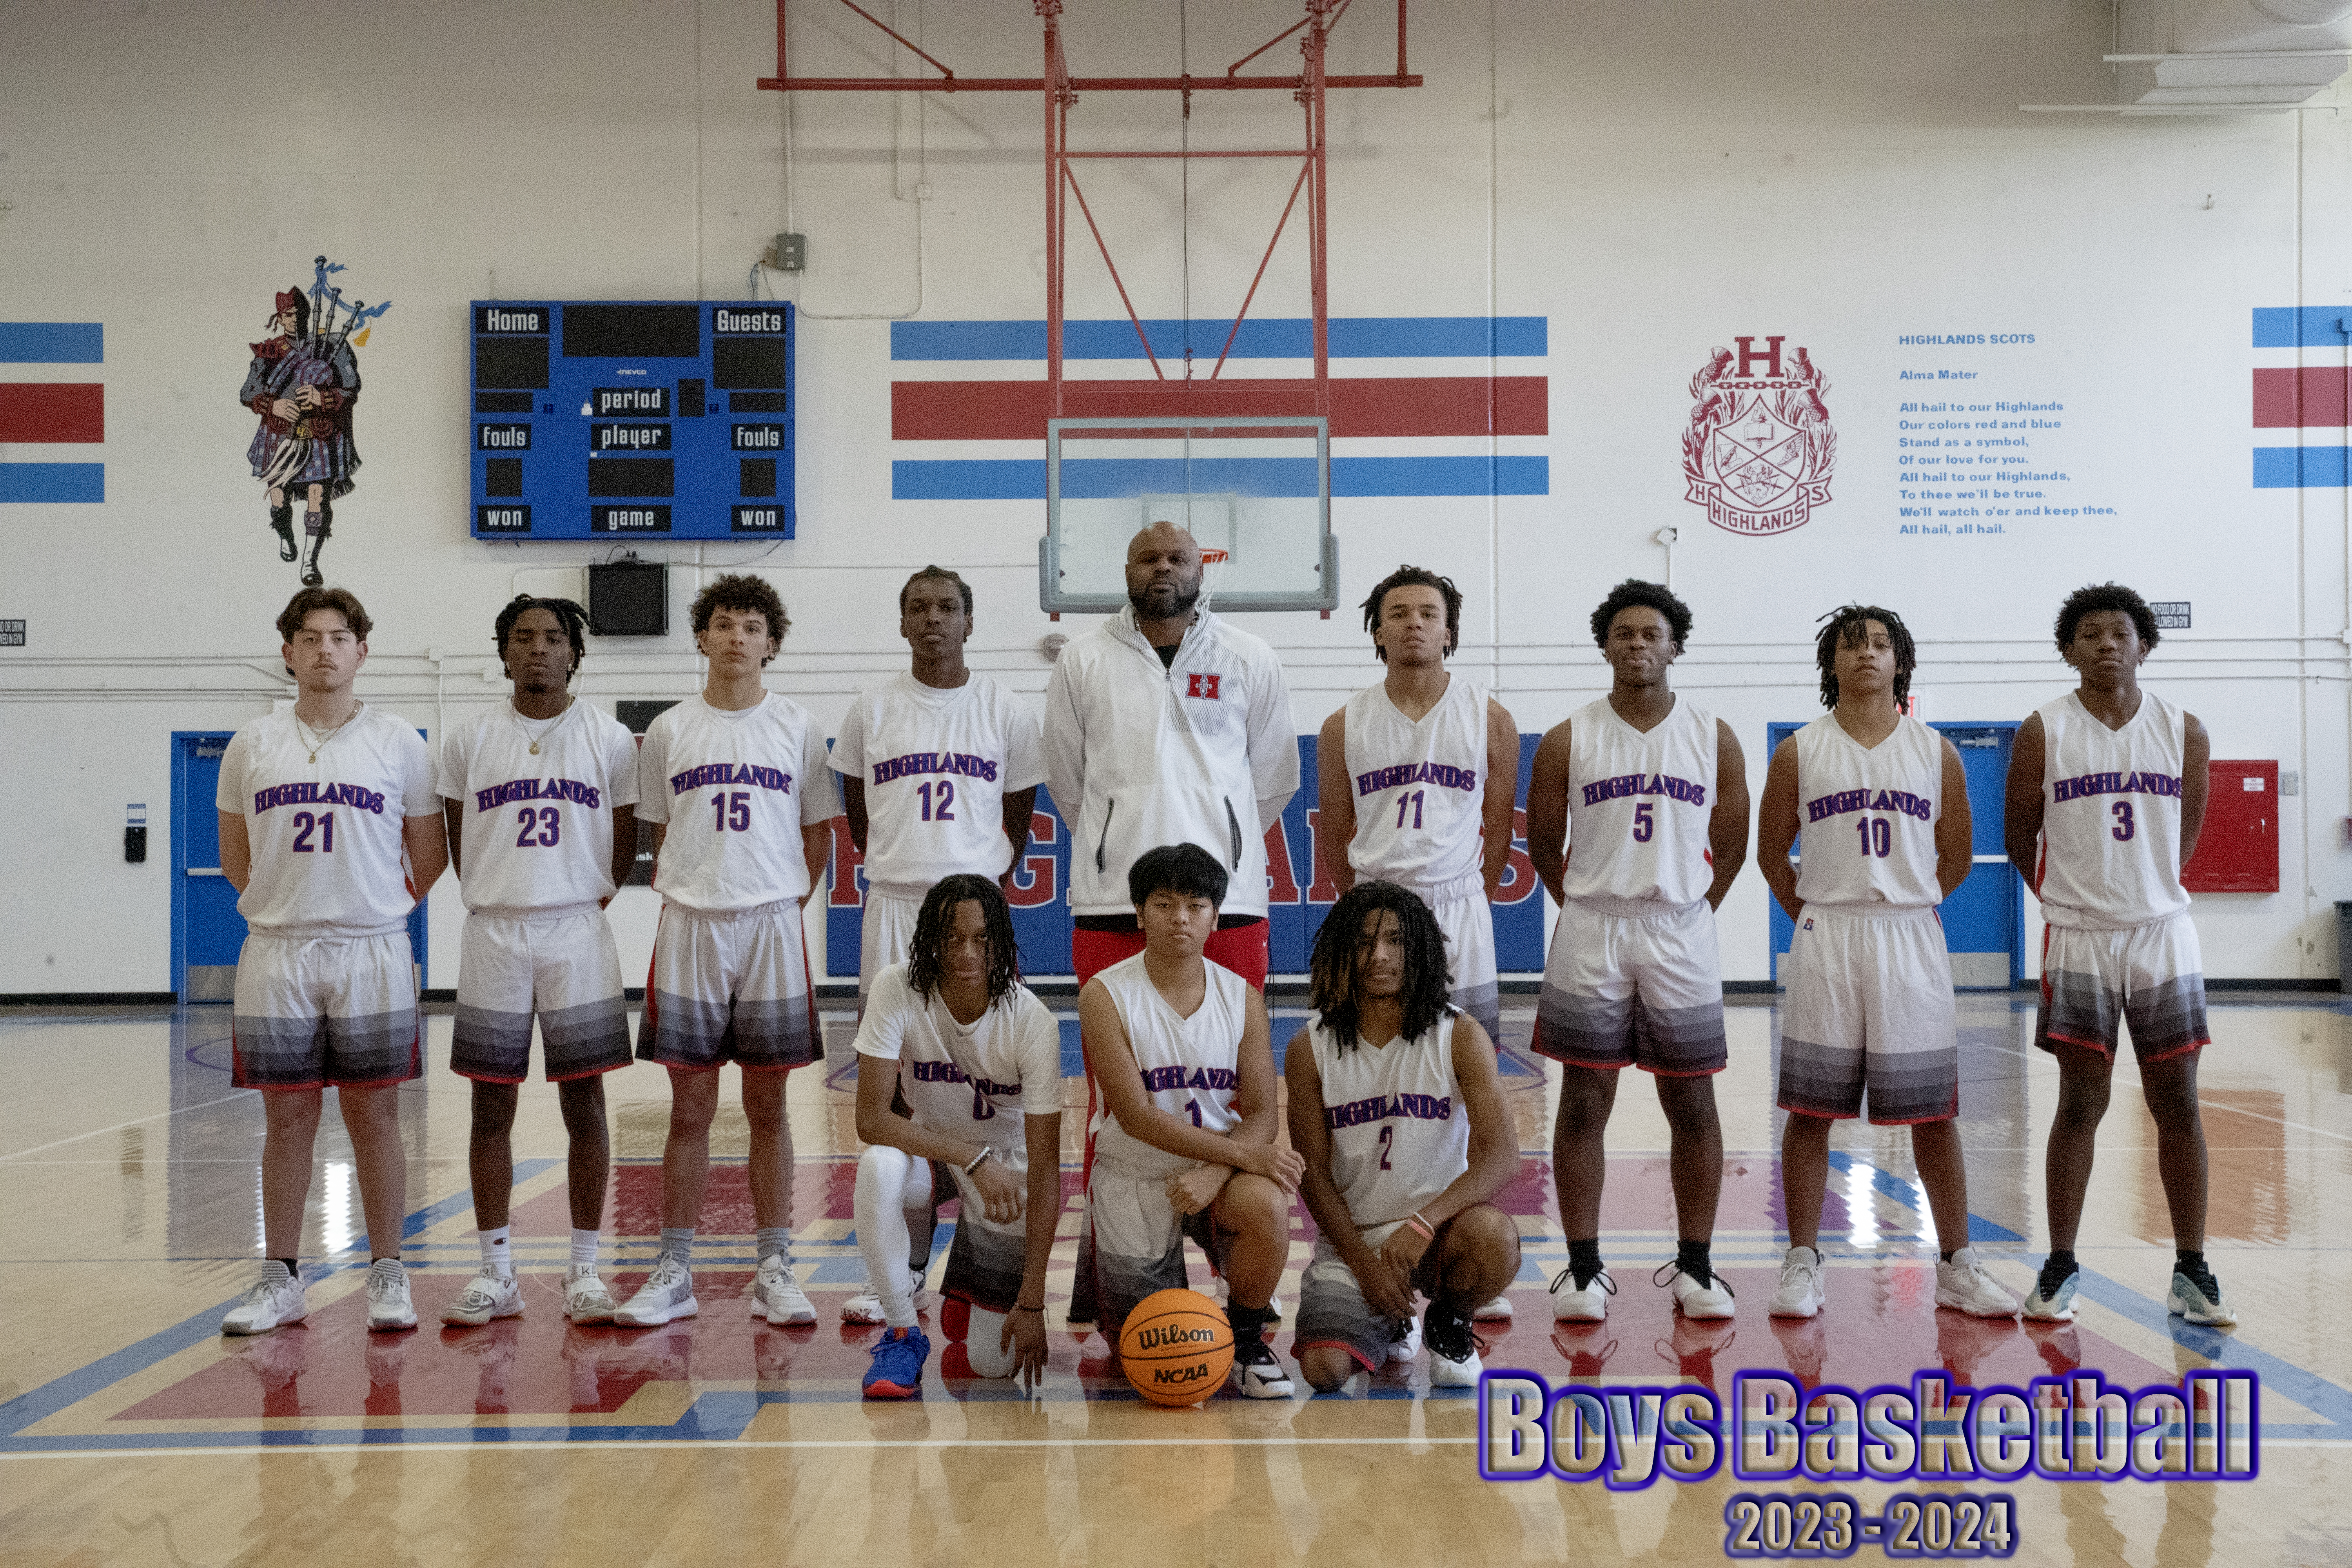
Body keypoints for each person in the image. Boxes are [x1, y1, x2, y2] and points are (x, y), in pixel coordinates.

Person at [1757, 604, 2015, 1322]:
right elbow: (1771, 854)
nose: (1866, 655)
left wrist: (1906, 903)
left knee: (1933, 1114)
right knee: (1811, 1112)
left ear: (1900, 662)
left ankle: (1959, 1264)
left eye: (1879, 644)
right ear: (1830, 665)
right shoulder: (1800, 751)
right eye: (1851, 646)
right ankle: (1803, 1262)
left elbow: (1956, 856)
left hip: (1908, 934)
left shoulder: (1937, 752)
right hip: (1828, 933)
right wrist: (1812, 917)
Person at [615, 574, 843, 1329]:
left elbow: (818, 837)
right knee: (689, 1108)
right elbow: (659, 832)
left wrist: (779, 900)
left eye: (752, 626)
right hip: (691, 925)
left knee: (771, 1106)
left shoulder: (801, 729)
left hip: (771, 924)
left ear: (772, 644)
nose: (737, 637)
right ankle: (674, 1267)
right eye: (724, 624)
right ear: (702, 637)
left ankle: (775, 1264)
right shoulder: (672, 731)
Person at [217, 586, 446, 1335]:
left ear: (361, 652)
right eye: (310, 637)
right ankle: (280, 1278)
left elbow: (428, 854)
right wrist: (290, 904)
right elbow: (235, 855)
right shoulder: (251, 745)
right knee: (286, 1121)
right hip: (277, 950)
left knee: (376, 1116)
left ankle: (387, 1273)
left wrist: (371, 905)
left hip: (371, 948)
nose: (325, 650)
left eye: (339, 637)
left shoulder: (399, 743)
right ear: (288, 653)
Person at [2005, 583, 2231, 1327]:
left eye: (2121, 632)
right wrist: (2073, 897)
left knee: (2179, 1104)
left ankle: (2192, 1270)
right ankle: (2062, 1264)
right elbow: (2019, 836)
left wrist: (2146, 891)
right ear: (2069, 650)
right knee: (2080, 1102)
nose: (2107, 643)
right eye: (2090, 633)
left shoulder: (2183, 729)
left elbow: (2186, 835)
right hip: (2079, 934)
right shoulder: (2044, 729)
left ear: (2144, 646)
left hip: (2162, 933)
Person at [1526, 580, 1748, 1323]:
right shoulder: (1570, 736)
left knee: (1692, 1097)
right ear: (1606, 645)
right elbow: (1543, 845)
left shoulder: (1713, 734)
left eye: (1651, 634)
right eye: (1623, 634)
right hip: (1595, 923)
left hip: (1679, 925)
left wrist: (1691, 910)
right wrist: (1589, 906)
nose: (1637, 645)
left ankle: (1696, 1265)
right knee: (1585, 1098)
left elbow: (1736, 839)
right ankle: (1584, 1270)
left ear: (1674, 645)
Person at [831, 566, 1045, 1323]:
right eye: (918, 608)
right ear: (901, 623)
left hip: (976, 910)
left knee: (980, 1070)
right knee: (893, 1089)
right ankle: (904, 1268)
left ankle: (984, 1240)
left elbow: (1016, 814)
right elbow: (859, 817)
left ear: (970, 622)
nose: (933, 620)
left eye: (947, 608)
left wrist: (977, 886)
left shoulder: (1007, 711)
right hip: (894, 903)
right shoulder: (870, 709)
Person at [435, 595, 640, 1328]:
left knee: (584, 1101)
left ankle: (584, 1269)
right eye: (523, 638)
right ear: (504, 653)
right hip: (494, 932)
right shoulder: (469, 739)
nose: (539, 650)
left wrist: (575, 896)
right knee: (491, 1103)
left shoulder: (612, 740)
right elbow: (461, 845)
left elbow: (622, 847)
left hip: (577, 931)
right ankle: (496, 1273)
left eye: (554, 638)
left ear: (574, 653)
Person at [1073, 844, 1304, 1398]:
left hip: (1214, 1171)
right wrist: (1243, 1156)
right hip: (1135, 1172)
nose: (1181, 917)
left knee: (1266, 1202)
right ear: (1139, 912)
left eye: (1196, 905)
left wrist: (1217, 1172)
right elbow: (1135, 1116)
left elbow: (1262, 1113)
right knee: (1149, 1353)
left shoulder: (1241, 996)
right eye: (1164, 903)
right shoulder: (1104, 995)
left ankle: (1247, 1340)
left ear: (1215, 917)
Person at [1287, 882, 1523, 1392]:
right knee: (1324, 1371)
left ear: (1419, 951)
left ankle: (1449, 1320)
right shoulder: (1310, 1049)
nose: (1380, 956)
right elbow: (1315, 1179)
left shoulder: (1459, 1035)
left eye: (1396, 941)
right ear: (1341, 952)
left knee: (1495, 1238)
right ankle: (1390, 1315)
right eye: (1364, 943)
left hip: (1438, 1233)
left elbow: (1503, 1157)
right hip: (1357, 1240)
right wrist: (1362, 1265)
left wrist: (1422, 1224)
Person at [1043, 522, 1299, 992]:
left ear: (1201, 571)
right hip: (1113, 898)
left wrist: (1228, 836)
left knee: (1228, 1059)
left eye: (1177, 559)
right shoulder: (1082, 659)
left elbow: (1275, 777)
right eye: (1149, 558)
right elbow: (1064, 777)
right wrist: (1112, 835)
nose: (1163, 566)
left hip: (1226, 899)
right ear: (1127, 571)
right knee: (1117, 1052)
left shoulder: (1248, 656)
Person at [849, 877, 1064, 1398]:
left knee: (992, 1365)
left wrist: (1032, 1301)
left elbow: (1046, 1167)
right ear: (929, 939)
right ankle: (902, 1330)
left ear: (1002, 944)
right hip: (939, 1156)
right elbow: (872, 1121)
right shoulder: (896, 987)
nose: (966, 952)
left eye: (982, 939)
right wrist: (973, 1158)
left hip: (1007, 1179)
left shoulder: (1033, 1022)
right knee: (878, 1166)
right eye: (951, 938)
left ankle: (969, 1291)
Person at [240, 287, 361, 586]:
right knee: (279, 499)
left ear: (308, 314)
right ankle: (286, 538)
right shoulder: (270, 351)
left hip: (318, 432)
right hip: (280, 433)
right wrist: (275, 404)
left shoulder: (330, 347)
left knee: (317, 498)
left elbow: (351, 387)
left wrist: (323, 399)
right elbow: (248, 392)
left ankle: (309, 561)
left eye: (298, 314)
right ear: (279, 318)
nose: (293, 320)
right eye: (287, 315)